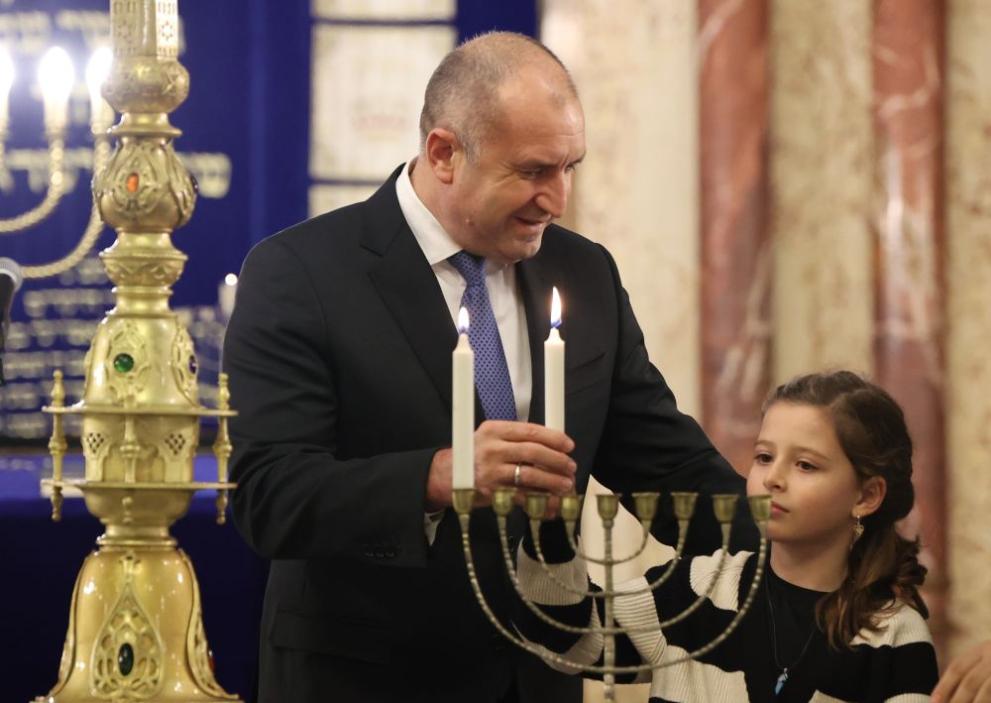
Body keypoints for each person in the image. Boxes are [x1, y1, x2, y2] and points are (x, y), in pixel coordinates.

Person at [224, 31, 754, 703]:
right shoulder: (301, 273)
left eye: (570, 168)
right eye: (533, 171)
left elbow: (665, 461)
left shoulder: (583, 271)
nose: (557, 199)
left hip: (538, 676)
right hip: (365, 678)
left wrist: (799, 541)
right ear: (444, 153)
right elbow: (269, 496)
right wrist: (437, 476)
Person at [516, 371, 939, 702]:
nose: (772, 479)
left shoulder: (894, 635)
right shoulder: (699, 589)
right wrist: (550, 527)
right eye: (764, 457)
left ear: (866, 496)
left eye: (806, 465)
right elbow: (570, 641)